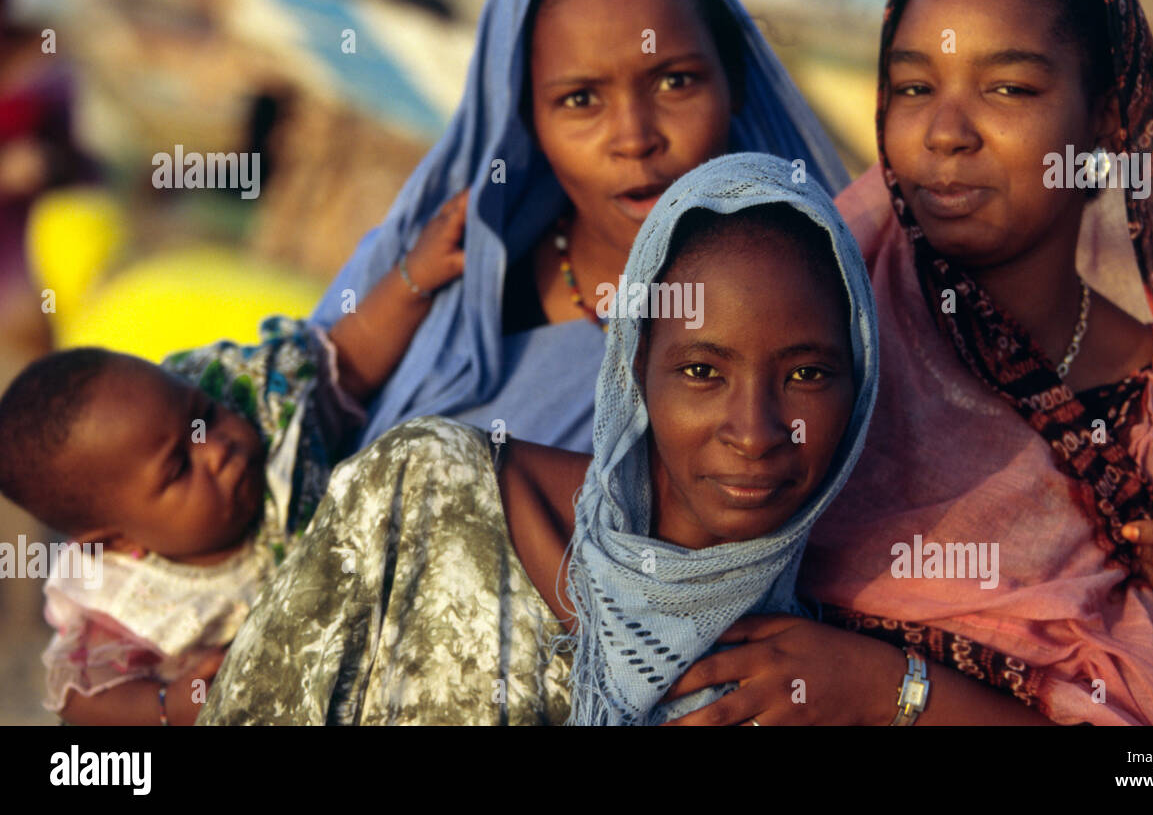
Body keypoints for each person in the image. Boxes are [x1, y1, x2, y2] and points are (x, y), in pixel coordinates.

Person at [787, 0, 1153, 726]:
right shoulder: (811, 332)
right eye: (914, 85)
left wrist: (888, 688)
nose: (946, 130)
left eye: (1009, 87)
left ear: (1103, 123)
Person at [200, 152, 919, 724]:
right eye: (702, 370)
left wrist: (896, 689)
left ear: (860, 389)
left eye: (808, 374)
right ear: (636, 370)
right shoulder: (422, 490)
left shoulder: (810, 679)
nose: (756, 430)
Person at [312, 0, 848, 456]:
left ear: (734, 80)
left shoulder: (813, 314)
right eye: (582, 98)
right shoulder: (426, 276)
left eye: (675, 82)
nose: (635, 138)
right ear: (523, 116)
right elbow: (271, 439)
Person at [0, 191, 468, 724]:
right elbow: (79, 701)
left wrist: (413, 278)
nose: (217, 447)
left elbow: (347, 359)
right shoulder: (126, 601)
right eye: (179, 467)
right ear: (117, 540)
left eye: (204, 414)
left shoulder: (262, 415)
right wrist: (166, 705)